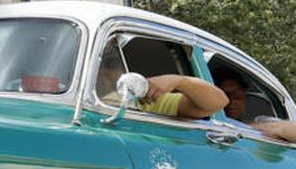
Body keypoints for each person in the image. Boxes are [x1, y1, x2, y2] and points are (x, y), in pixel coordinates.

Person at [96, 41, 228, 119]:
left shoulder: (142, 100)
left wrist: (179, 81)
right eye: (96, 64)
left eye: (111, 63)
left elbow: (218, 103)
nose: (101, 71)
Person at [214, 70, 296, 143]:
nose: (230, 102)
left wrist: (248, 129)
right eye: (224, 97)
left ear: (245, 99)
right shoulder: (207, 121)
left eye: (237, 97)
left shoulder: (260, 122)